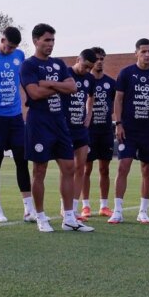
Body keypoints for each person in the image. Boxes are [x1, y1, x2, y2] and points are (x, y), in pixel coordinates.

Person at [21, 24, 91, 233]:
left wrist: (47, 83)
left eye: (53, 40)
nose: (50, 44)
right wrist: (57, 87)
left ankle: (69, 217)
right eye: (46, 40)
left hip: (59, 122)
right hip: (39, 123)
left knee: (69, 168)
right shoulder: (28, 65)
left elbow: (73, 87)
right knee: (39, 170)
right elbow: (34, 94)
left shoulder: (59, 64)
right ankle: (41, 217)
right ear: (36, 41)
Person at [109, 39, 149, 225]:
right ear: (136, 53)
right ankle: (117, 211)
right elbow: (118, 100)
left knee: (147, 169)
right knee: (123, 166)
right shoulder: (126, 73)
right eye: (143, 51)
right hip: (128, 129)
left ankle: (143, 211)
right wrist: (118, 123)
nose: (147, 54)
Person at [0, 26, 32, 222]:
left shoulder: (20, 55)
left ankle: (28, 208)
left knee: (22, 159)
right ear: (1, 39)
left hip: (16, 116)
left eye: (14, 47)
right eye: (8, 46)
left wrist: (28, 96)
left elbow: (23, 79)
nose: (10, 50)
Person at [82, 48, 115, 218]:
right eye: (97, 58)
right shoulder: (86, 81)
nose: (100, 61)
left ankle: (104, 205)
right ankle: (85, 205)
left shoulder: (111, 83)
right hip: (89, 132)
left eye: (102, 58)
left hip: (106, 131)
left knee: (105, 169)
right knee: (86, 169)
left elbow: (114, 107)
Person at [67, 49, 97, 218]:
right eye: (85, 66)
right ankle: (65, 206)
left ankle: (74, 207)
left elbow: (90, 97)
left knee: (81, 168)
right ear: (78, 59)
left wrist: (89, 115)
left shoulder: (90, 79)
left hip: (81, 129)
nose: (87, 71)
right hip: (65, 127)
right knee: (68, 168)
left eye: (90, 68)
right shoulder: (66, 73)